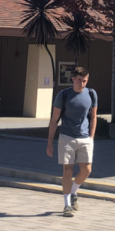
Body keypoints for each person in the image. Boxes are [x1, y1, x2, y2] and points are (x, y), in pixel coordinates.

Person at [45, 66, 97, 218]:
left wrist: (92, 137)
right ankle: (67, 205)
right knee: (67, 170)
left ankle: (74, 192)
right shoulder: (64, 95)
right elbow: (54, 119)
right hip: (67, 137)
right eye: (79, 80)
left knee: (87, 170)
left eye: (85, 81)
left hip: (85, 137)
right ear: (73, 79)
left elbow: (93, 117)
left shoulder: (91, 94)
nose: (82, 84)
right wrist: (49, 142)